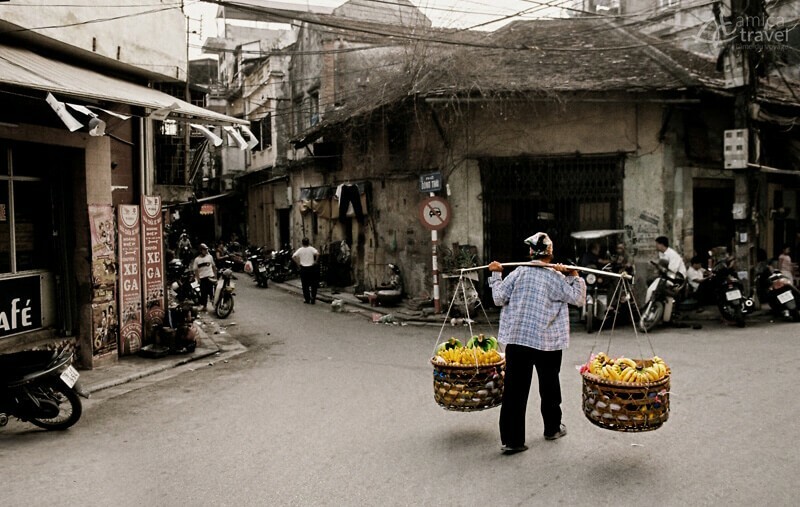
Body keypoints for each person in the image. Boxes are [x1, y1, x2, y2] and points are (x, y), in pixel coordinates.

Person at [488, 232, 586, 454]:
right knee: (550, 384)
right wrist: (574, 274)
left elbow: (498, 298)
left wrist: (496, 275)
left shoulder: (518, 273)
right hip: (547, 342)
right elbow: (578, 299)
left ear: (531, 252)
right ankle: (552, 428)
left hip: (519, 339)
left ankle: (513, 441)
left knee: (514, 389)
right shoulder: (555, 277)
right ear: (550, 254)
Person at [293, 238, 320, 304]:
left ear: (302, 243)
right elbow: (318, 254)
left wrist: (298, 263)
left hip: (303, 269)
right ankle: (313, 298)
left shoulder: (300, 250)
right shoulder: (311, 249)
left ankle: (307, 299)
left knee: (305, 285)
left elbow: (293, 256)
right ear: (308, 242)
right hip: (311, 268)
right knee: (313, 284)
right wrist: (315, 262)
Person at [192, 243, 217, 311]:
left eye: (206, 249)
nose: (206, 251)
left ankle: (215, 305)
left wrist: (215, 276)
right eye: (204, 250)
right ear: (201, 250)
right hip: (202, 278)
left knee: (211, 292)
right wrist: (198, 278)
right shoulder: (197, 260)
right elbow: (196, 270)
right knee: (203, 293)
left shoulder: (210, 257)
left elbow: (214, 267)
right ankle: (204, 306)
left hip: (210, 277)